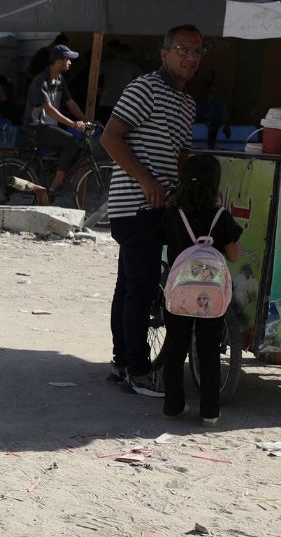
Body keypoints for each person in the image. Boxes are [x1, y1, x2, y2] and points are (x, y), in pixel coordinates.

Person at [99, 24, 203, 398]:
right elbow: (110, 137)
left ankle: (121, 362)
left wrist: (184, 186)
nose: (190, 58)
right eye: (182, 50)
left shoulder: (187, 103)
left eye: (196, 52)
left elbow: (180, 154)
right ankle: (139, 372)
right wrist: (146, 180)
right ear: (165, 53)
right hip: (134, 205)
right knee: (140, 289)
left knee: (129, 286)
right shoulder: (145, 89)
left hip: (163, 207)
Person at [157, 154, 241, 426]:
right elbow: (235, 255)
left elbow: (163, 244)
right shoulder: (222, 217)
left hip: (179, 293)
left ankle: (173, 406)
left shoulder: (172, 213)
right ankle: (209, 412)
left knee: (175, 345)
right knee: (208, 350)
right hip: (211, 297)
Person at [25, 43, 93, 203]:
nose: (70, 63)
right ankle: (57, 182)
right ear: (58, 62)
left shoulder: (60, 80)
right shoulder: (40, 81)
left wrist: (85, 119)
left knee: (76, 147)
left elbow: (70, 103)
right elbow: (48, 110)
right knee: (71, 141)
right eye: (68, 60)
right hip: (37, 127)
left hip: (49, 126)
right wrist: (72, 123)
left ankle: (52, 178)